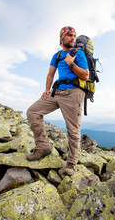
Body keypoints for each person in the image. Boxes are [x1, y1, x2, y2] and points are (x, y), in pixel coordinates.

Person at [26, 26, 89, 176]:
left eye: (74, 35)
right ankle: (43, 147)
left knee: (73, 130)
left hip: (73, 93)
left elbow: (85, 75)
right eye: (69, 36)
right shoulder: (57, 55)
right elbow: (50, 75)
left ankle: (71, 164)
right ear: (61, 39)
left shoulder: (78, 53)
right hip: (57, 92)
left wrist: (71, 63)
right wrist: (47, 90)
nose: (73, 38)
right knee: (32, 111)